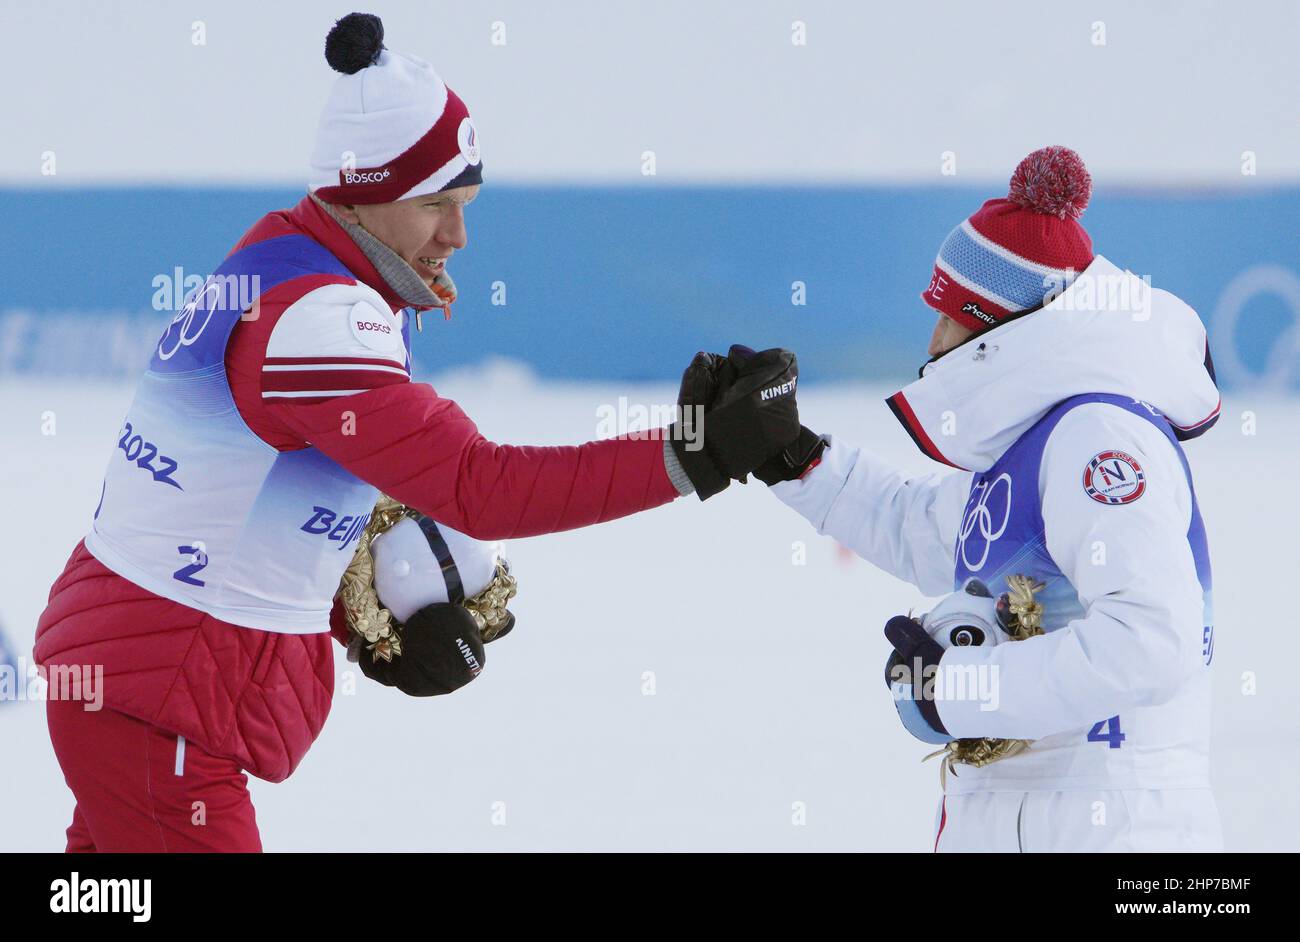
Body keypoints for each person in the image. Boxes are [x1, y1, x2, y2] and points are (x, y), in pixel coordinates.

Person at [32, 13, 816, 852]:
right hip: (162, 701)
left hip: (144, 684)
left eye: (466, 201)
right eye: (434, 203)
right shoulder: (317, 321)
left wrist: (363, 620)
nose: (459, 234)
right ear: (358, 191)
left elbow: (238, 497)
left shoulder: (295, 264)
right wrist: (695, 453)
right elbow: (478, 486)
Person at [756, 146, 1223, 851]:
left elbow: (1151, 642)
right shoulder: (1038, 442)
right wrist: (789, 456)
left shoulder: (1095, 439)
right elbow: (919, 527)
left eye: (948, 317)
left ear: (1002, 328)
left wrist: (957, 691)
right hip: (1034, 814)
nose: (934, 340)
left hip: (1108, 825)